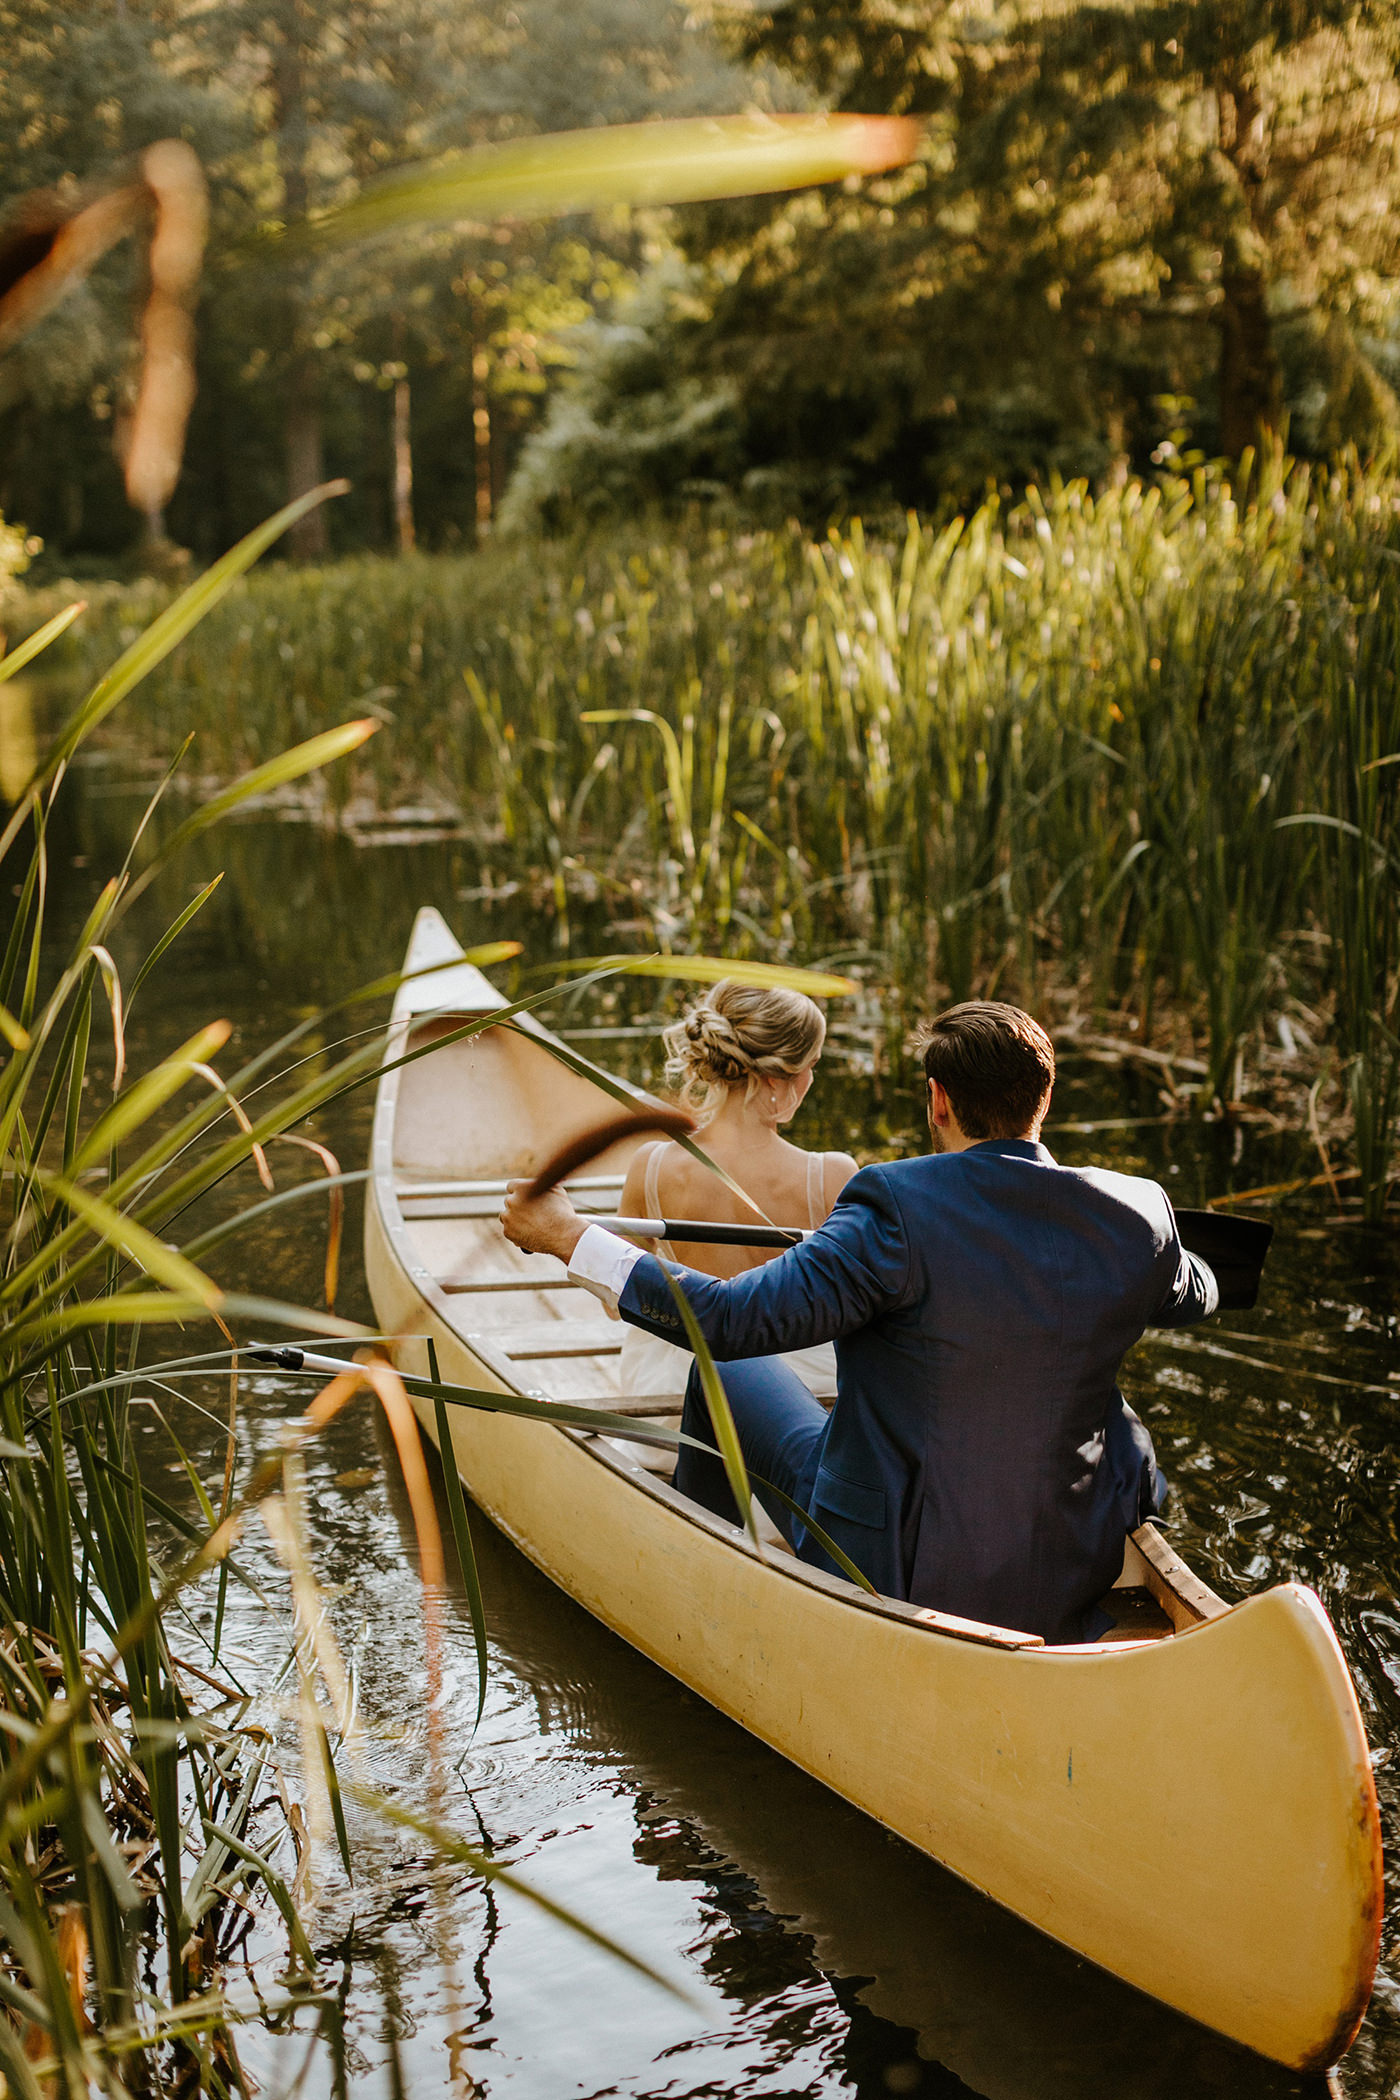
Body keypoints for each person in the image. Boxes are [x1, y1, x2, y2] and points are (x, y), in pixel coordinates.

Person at [502, 1001, 1219, 1646]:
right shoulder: (1137, 1213)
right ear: (1044, 1099)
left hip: (896, 1566)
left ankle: (698, 1577)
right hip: (1070, 1555)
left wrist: (570, 1237)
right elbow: (1197, 1291)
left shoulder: (892, 1205)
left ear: (937, 1100)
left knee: (723, 1365)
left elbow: (725, 1318)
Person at [616, 981, 857, 1403]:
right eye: (811, 1064)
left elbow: (614, 1295)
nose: (811, 1078)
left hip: (679, 1396)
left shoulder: (650, 1166)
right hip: (799, 1401)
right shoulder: (830, 1175)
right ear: (777, 1077)